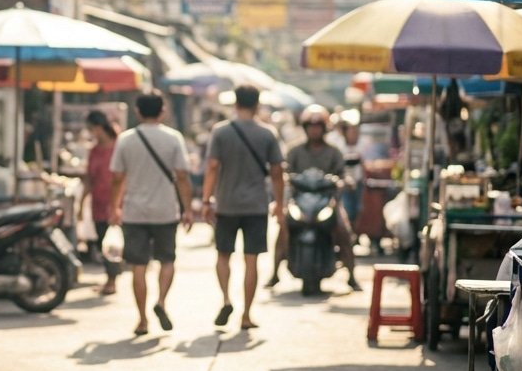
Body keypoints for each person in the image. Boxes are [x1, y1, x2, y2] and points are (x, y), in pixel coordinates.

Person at [108, 93, 194, 335]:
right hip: (165, 210)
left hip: (134, 211)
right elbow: (183, 176)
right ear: (162, 111)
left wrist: (115, 207)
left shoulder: (126, 140)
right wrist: (188, 208)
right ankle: (161, 302)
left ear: (137, 112)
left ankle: (142, 319)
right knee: (167, 260)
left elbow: (117, 178)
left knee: (138, 265)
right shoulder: (173, 138)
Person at [201, 85, 284, 330]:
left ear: (235, 104)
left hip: (226, 204)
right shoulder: (267, 134)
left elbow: (212, 167)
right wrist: (279, 204)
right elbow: (277, 171)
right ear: (257, 105)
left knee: (223, 255)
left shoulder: (220, 132)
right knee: (252, 261)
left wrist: (206, 200)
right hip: (256, 206)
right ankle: (246, 315)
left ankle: (226, 299)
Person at [266, 105, 361, 293]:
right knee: (283, 229)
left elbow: (343, 174)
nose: (314, 129)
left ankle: (351, 276)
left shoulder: (333, 152)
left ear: (324, 128)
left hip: (327, 201)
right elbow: (285, 171)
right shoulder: (295, 151)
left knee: (343, 231)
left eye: (318, 126)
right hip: (300, 201)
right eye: (310, 126)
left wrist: (343, 182)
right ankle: (274, 272)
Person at [80, 110, 121, 295]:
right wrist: (81, 203)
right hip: (98, 202)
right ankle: (110, 278)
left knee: (115, 243)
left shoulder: (120, 146)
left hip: (118, 202)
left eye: (91, 129)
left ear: (98, 128)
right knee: (101, 241)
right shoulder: (94, 151)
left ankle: (112, 280)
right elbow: (89, 179)